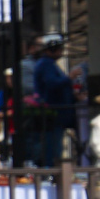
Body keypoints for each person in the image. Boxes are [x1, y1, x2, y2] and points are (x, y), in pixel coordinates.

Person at [32, 35, 74, 166]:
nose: (61, 52)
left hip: (55, 113)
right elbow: (52, 83)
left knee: (54, 144)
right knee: (52, 146)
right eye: (59, 49)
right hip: (52, 113)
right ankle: (49, 170)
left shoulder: (48, 64)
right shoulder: (46, 64)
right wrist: (69, 78)